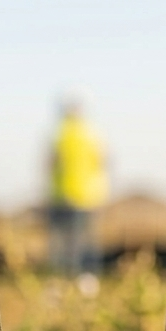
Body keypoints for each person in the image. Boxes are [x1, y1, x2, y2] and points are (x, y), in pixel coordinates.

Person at [47, 95, 109, 274]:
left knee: (63, 244)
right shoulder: (93, 133)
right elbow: (102, 161)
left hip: (62, 196)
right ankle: (87, 279)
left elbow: (50, 164)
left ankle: (63, 277)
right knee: (87, 242)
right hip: (89, 197)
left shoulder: (59, 134)